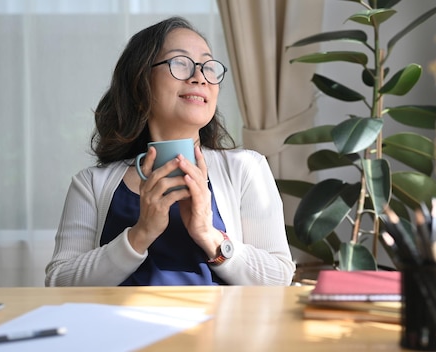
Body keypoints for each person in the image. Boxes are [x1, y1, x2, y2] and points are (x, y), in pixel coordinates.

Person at [45, 16, 295, 286]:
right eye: (180, 63)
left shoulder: (247, 168)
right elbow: (60, 282)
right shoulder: (91, 184)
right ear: (140, 83)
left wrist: (208, 234)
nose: (199, 77)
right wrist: (140, 234)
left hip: (220, 328)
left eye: (208, 67)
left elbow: (278, 277)